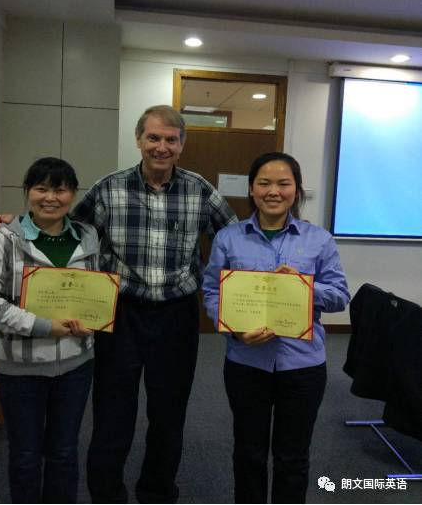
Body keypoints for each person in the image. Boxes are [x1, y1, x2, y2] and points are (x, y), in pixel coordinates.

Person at [72, 105, 236, 503]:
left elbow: (235, 236)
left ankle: (157, 492)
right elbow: (67, 231)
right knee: (112, 412)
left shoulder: (199, 190)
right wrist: (16, 226)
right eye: (154, 138)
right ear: (138, 139)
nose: (162, 147)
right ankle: (107, 495)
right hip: (121, 313)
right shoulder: (109, 188)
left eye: (170, 140)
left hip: (177, 316)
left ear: (181, 145)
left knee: (169, 413)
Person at [203, 152, 350, 504]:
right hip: (246, 363)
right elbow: (211, 292)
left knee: (293, 457)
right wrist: (234, 330)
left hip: (302, 366)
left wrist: (304, 286)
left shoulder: (319, 240)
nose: (274, 191)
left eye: (284, 183)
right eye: (264, 183)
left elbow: (339, 296)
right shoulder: (228, 238)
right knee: (248, 452)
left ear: (296, 190)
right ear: (251, 189)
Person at [0, 157, 99, 504]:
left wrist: (92, 320)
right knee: (26, 456)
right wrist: (43, 326)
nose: (50, 198)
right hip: (20, 369)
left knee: (64, 452)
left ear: (73, 195)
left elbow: (96, 292)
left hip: (75, 365)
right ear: (27, 191)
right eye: (41, 189)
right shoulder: (4, 239)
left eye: (60, 190)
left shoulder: (87, 237)